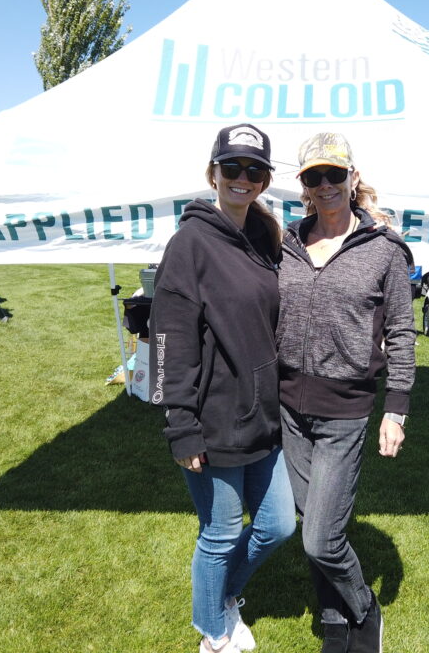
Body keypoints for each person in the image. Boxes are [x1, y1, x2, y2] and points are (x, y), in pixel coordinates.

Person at [149, 124, 296, 653]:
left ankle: (220, 596)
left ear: (265, 180)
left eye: (254, 170)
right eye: (231, 167)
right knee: (221, 532)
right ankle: (213, 633)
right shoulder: (189, 244)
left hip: (262, 417)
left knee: (278, 525)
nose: (242, 178)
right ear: (212, 173)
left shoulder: (264, 239)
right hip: (212, 422)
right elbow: (169, 340)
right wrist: (181, 425)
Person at [277, 132, 415, 653]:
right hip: (288, 409)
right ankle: (333, 619)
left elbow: (401, 331)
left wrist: (396, 409)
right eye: (314, 176)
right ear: (304, 185)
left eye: (334, 174)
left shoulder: (383, 249)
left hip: (345, 411)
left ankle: (364, 609)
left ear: (352, 177)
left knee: (321, 537)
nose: (325, 185)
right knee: (309, 521)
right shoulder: (286, 243)